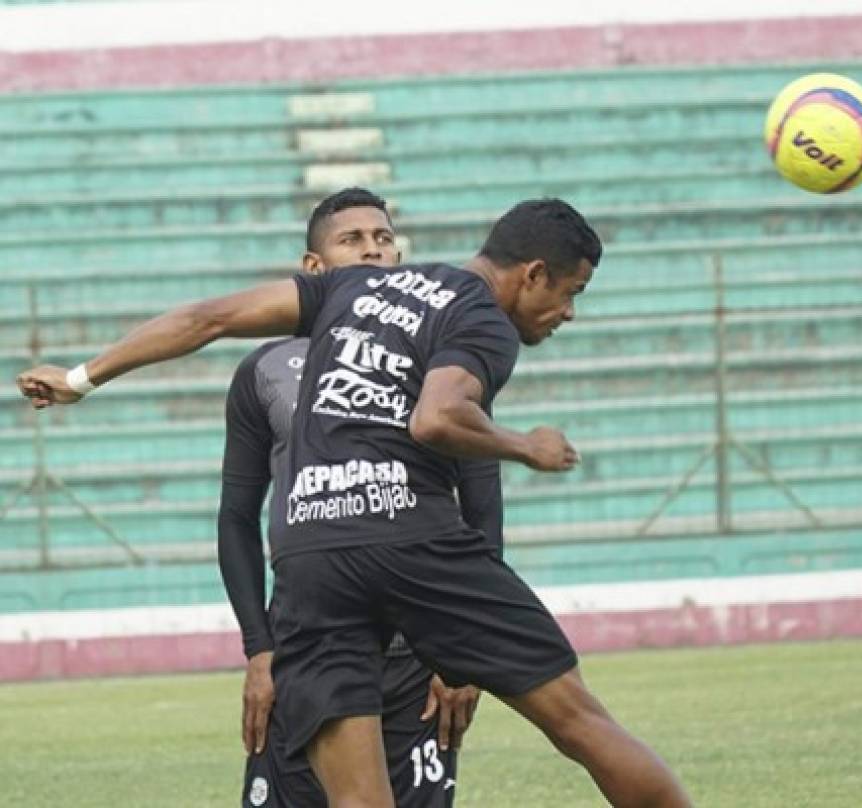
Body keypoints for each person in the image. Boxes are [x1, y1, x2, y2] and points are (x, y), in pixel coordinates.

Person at [17, 197, 691, 808]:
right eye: (573, 292)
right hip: (411, 539)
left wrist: (81, 378)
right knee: (580, 723)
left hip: (310, 550)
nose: (568, 312)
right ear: (535, 273)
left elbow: (209, 317)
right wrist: (528, 447)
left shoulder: (353, 285)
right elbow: (438, 420)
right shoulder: (481, 316)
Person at [221, 188, 493, 806]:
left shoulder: (441, 355)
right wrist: (260, 650)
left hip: (415, 652)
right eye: (352, 241)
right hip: (307, 644)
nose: (373, 249)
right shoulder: (264, 371)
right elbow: (237, 517)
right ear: (313, 268)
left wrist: (462, 653)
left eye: (383, 239)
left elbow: (480, 503)